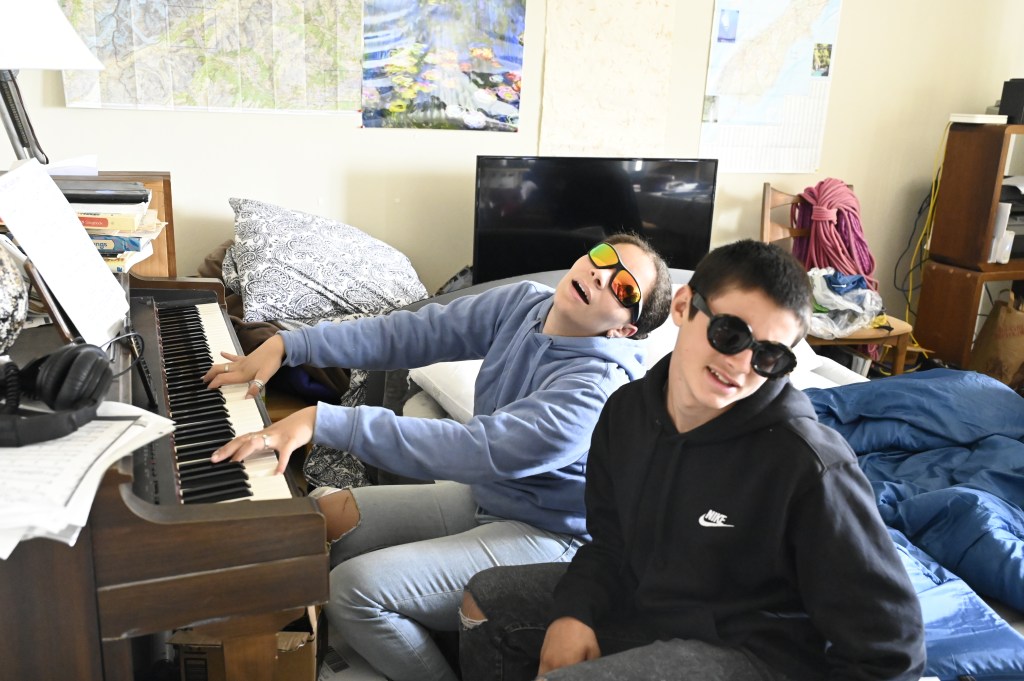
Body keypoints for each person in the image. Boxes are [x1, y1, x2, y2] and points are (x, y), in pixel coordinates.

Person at [202, 233, 674, 681]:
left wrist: (322, 421)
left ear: (625, 328)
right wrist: (290, 344)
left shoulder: (596, 391)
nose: (600, 275)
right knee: (314, 522)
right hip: (488, 497)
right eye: (603, 258)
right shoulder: (525, 304)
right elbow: (410, 334)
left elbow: (474, 448)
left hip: (549, 534)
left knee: (353, 591)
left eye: (623, 288)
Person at [459, 239, 926, 681]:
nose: (741, 365)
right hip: (650, 608)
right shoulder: (626, 413)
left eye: (768, 357)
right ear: (683, 307)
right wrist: (575, 611)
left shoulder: (808, 466)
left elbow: (891, 648)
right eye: (730, 334)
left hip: (757, 652)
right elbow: (610, 544)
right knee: (486, 602)